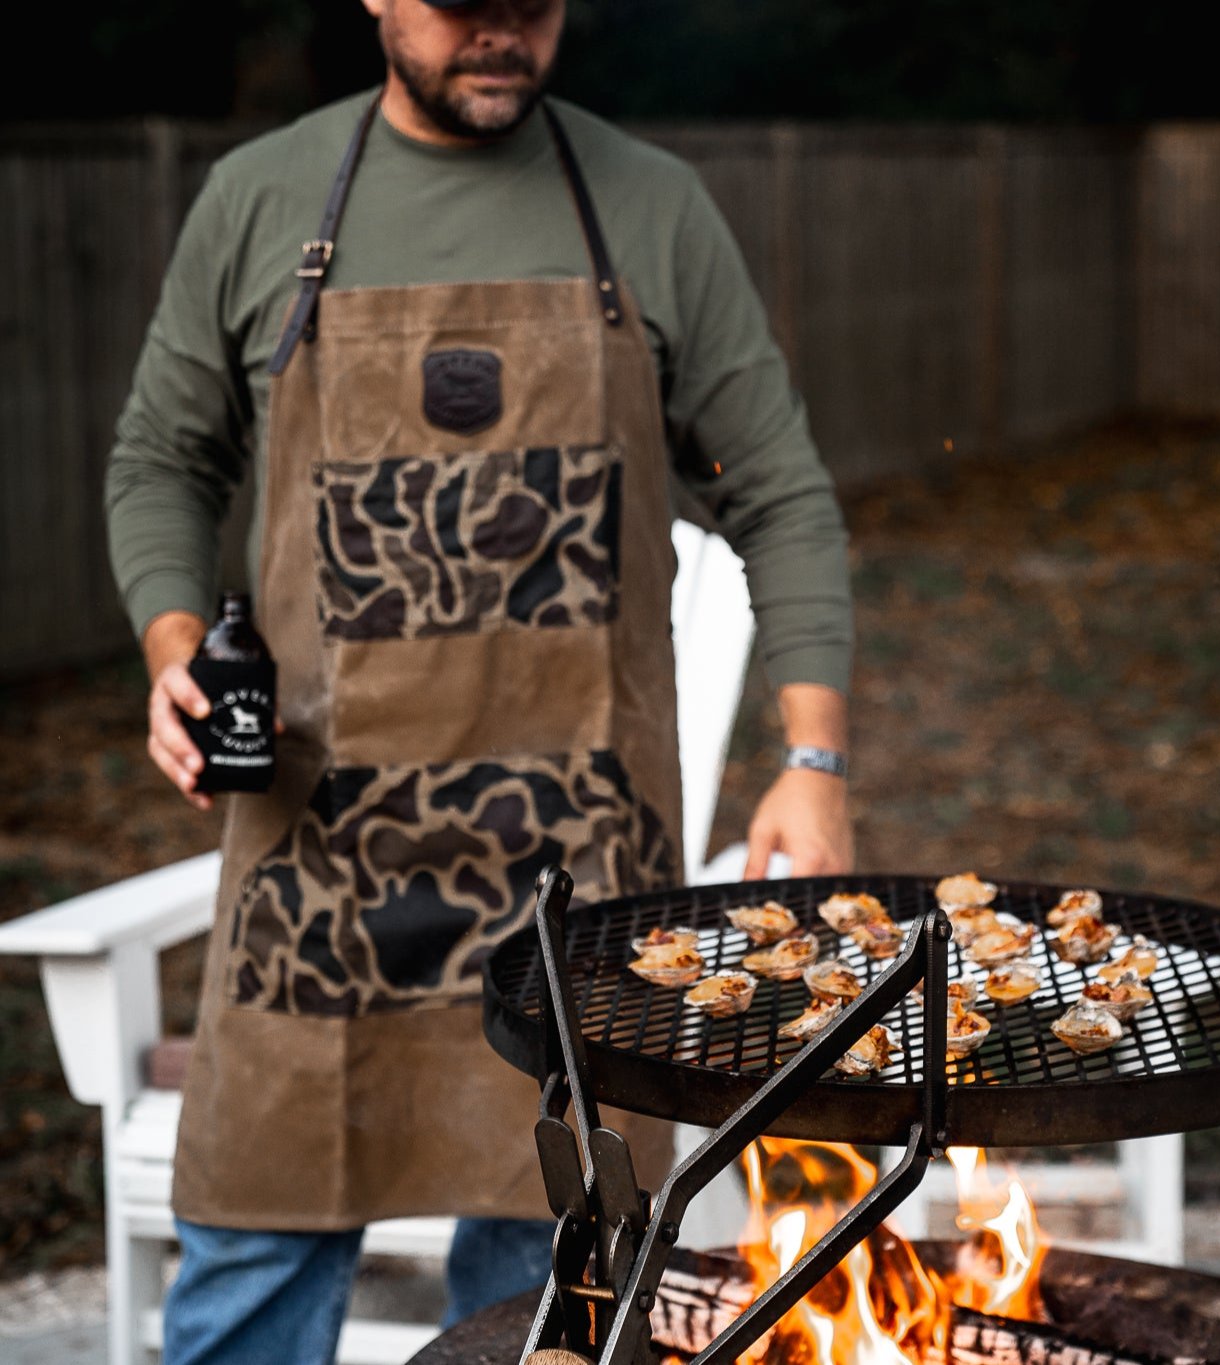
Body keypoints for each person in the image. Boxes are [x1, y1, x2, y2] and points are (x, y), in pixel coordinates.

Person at [105, 0, 854, 1359]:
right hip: (315, 885)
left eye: (532, 5)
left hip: (575, 901)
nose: (500, 34)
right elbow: (162, 455)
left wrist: (811, 760)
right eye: (465, 7)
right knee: (251, 1261)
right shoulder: (260, 199)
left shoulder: (653, 208)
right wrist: (170, 648)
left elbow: (781, 493)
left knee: (553, 1294)